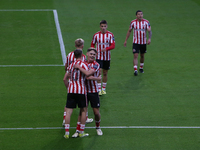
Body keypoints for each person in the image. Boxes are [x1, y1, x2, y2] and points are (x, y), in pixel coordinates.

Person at [63, 49, 95, 139]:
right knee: (84, 110)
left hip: (71, 90)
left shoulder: (71, 65)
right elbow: (88, 74)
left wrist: (68, 88)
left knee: (68, 112)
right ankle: (81, 132)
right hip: (81, 90)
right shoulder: (84, 64)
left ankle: (66, 133)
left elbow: (65, 79)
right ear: (82, 55)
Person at [72, 48, 103, 138]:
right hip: (84, 91)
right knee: (82, 111)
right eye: (91, 54)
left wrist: (94, 78)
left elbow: (89, 74)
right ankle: (78, 131)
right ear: (87, 54)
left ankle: (98, 127)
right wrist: (97, 78)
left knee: (96, 112)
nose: (92, 55)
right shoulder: (83, 64)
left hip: (93, 91)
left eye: (94, 54)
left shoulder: (96, 64)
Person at [124, 10, 152, 76]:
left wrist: (149, 39)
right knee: (135, 55)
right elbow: (129, 31)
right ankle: (135, 70)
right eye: (139, 14)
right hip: (136, 42)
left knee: (142, 55)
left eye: (141, 14)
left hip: (143, 42)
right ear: (136, 15)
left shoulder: (146, 22)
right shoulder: (133, 22)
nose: (140, 15)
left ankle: (141, 67)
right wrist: (126, 40)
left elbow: (149, 31)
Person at [91, 20, 115, 96]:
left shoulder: (110, 35)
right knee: (99, 71)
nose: (103, 28)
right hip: (98, 56)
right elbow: (92, 44)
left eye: (105, 26)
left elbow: (113, 45)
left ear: (107, 26)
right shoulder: (96, 35)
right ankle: (98, 89)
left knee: (105, 73)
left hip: (107, 57)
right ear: (100, 27)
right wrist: (94, 52)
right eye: (102, 26)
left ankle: (103, 89)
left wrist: (106, 49)